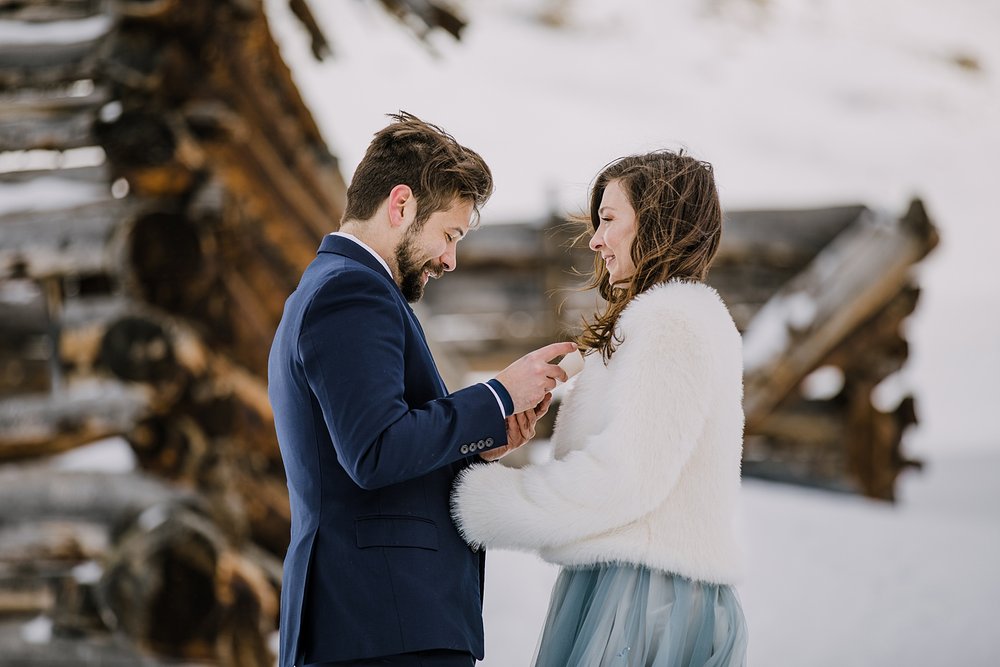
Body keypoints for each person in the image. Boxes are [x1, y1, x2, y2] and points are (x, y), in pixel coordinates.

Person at [267, 112, 575, 667]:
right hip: (383, 629)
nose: (450, 259)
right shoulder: (353, 293)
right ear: (402, 204)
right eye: (448, 234)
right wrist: (498, 396)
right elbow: (375, 451)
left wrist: (480, 439)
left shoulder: (333, 288)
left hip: (373, 625)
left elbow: (369, 449)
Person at [451, 150, 749, 666]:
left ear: (656, 224)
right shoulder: (668, 322)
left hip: (644, 596)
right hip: (636, 580)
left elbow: (625, 477)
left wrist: (491, 501)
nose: (594, 239)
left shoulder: (671, 325)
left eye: (609, 220)